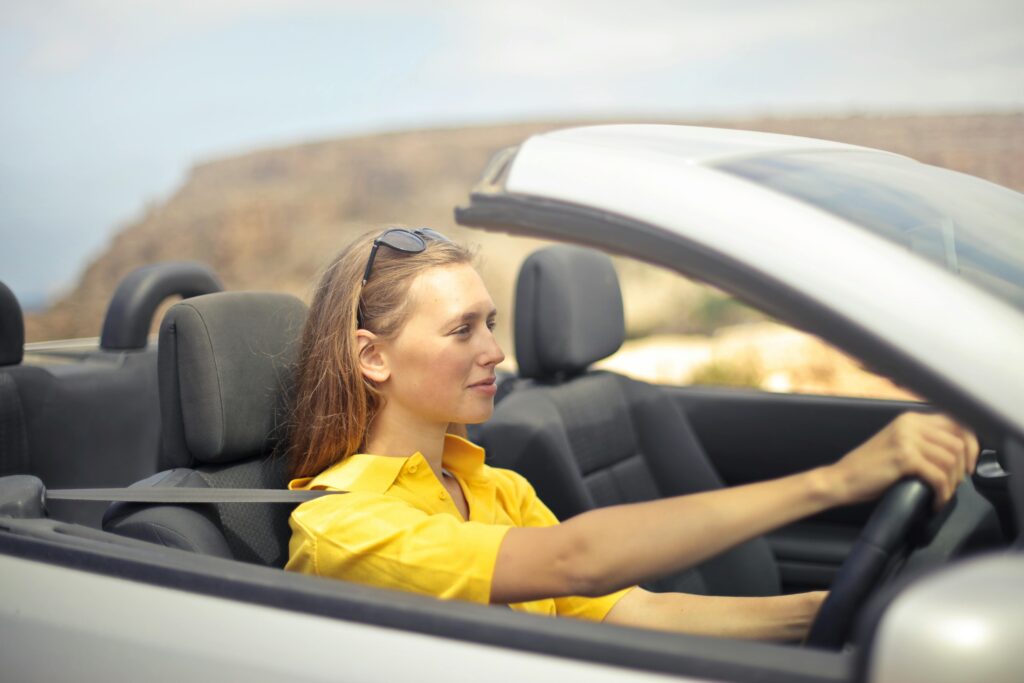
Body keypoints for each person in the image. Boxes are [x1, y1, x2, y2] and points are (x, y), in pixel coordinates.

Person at [284, 228, 978, 641]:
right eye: (462, 329)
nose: (494, 351)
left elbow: (635, 609)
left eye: (490, 323)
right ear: (372, 355)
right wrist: (834, 482)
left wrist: (842, 612)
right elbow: (573, 560)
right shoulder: (345, 526)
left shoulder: (492, 486)